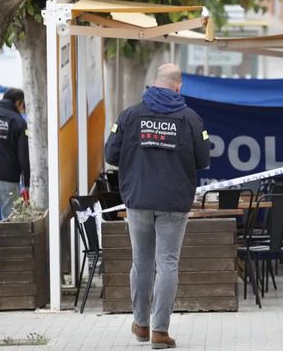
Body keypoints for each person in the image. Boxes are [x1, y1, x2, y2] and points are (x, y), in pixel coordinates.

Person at [105, 63, 210, 349]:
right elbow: (204, 159)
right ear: (179, 86)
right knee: (167, 263)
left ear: (153, 84)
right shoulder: (190, 119)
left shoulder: (129, 115)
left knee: (141, 261)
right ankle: (160, 332)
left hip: (138, 199)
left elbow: (110, 153)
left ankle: (141, 325)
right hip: (174, 203)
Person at [0, 88, 30, 277]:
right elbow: (23, 155)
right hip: (8, 178)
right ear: (18, 102)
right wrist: (26, 181)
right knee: (9, 219)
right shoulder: (18, 121)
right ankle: (9, 259)